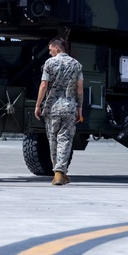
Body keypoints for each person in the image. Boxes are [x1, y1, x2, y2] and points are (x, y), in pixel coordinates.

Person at [34, 37, 84, 185]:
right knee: (65, 140)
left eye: (50, 50)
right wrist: (80, 109)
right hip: (69, 108)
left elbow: (43, 85)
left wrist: (38, 105)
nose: (49, 53)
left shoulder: (49, 64)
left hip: (52, 108)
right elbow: (80, 89)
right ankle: (60, 172)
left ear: (57, 48)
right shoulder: (77, 65)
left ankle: (58, 173)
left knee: (53, 140)